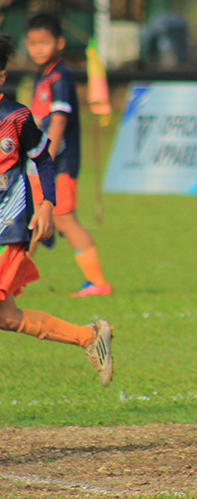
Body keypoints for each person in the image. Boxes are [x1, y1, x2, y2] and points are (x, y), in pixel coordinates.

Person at [0, 33, 113, 386]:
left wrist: (48, 204)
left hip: (9, 227)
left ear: (2, 76)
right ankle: (89, 337)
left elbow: (44, 160)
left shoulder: (15, 117)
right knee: (7, 317)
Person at [24, 12, 112, 297]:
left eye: (43, 42)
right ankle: (12, 281)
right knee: (31, 218)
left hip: (57, 163)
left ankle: (98, 282)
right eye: (32, 42)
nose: (37, 48)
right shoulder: (43, 75)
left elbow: (59, 120)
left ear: (59, 43)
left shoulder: (60, 77)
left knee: (62, 218)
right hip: (40, 161)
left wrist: (44, 158)